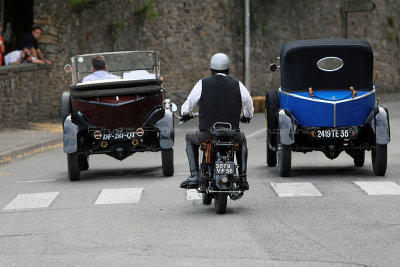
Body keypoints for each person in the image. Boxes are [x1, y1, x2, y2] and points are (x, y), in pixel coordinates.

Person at [179, 53, 254, 190]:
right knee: (242, 139)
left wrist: (184, 114)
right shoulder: (238, 84)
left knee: (189, 137)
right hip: (232, 134)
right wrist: (247, 115)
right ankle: (243, 178)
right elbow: (249, 102)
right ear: (228, 69)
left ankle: (195, 175)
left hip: (207, 135)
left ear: (211, 70)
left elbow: (189, 104)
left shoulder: (202, 83)